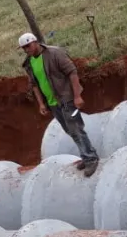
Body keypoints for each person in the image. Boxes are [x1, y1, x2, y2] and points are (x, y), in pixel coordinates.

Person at [18, 32, 99, 177]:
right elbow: (34, 85)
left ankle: (91, 159)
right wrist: (41, 104)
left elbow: (72, 72)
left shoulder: (54, 53)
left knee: (76, 129)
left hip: (66, 99)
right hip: (53, 103)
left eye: (28, 46)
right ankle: (86, 155)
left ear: (35, 42)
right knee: (69, 130)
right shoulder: (29, 63)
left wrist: (77, 96)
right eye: (24, 48)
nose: (26, 50)